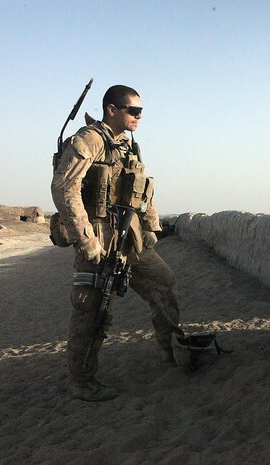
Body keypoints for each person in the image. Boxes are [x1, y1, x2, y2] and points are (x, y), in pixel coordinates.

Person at [51, 85, 182, 402]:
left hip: (130, 237)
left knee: (163, 284)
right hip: (99, 238)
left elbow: (144, 188)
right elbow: (64, 189)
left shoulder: (128, 145)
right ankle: (82, 381)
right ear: (112, 109)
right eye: (132, 110)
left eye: (141, 111)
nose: (139, 117)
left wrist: (152, 224)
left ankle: (173, 352)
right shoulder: (90, 140)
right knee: (92, 309)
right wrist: (86, 240)